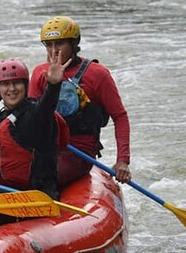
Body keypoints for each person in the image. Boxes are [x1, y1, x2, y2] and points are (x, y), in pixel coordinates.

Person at [28, 16, 131, 185]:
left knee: (44, 175)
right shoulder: (40, 73)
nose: (53, 50)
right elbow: (30, 118)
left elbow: (119, 117)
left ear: (74, 44)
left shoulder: (98, 74)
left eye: (59, 44)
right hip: (45, 149)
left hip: (78, 152)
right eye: (48, 44)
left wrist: (123, 160)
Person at [0, 58, 69, 200]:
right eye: (5, 84)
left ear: (25, 86)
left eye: (17, 83)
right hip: (4, 192)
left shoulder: (36, 116)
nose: (12, 89)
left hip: (34, 196)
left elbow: (46, 108)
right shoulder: (1, 118)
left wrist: (53, 86)